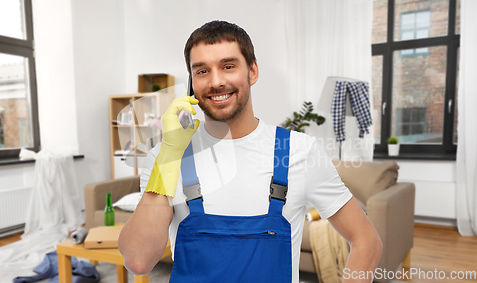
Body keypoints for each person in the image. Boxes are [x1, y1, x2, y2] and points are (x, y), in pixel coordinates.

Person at [119, 20, 382, 282]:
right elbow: (138, 261)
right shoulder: (166, 158)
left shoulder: (300, 151)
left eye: (228, 66)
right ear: (192, 83)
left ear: (252, 71)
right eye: (202, 71)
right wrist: (168, 155)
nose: (216, 81)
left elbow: (366, 240)